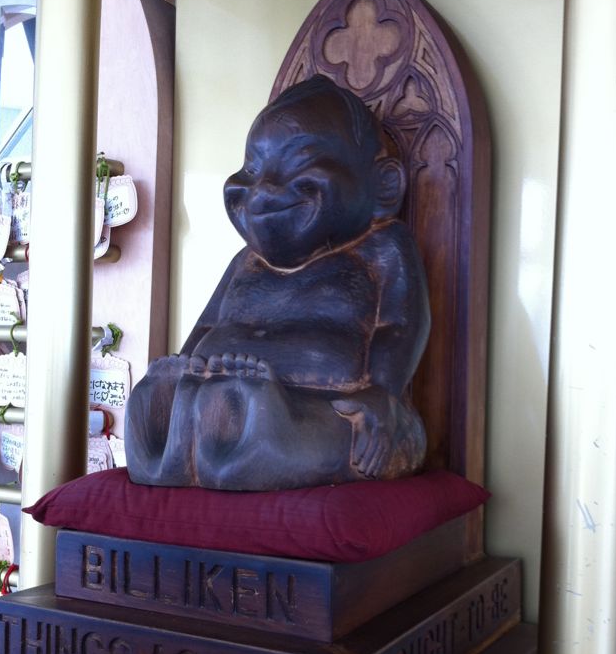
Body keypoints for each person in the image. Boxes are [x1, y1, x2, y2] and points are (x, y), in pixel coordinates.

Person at [125, 75, 430, 491]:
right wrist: (184, 369)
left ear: (384, 186)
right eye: (252, 169)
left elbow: (400, 326)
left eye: (299, 165)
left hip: (326, 409)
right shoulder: (246, 261)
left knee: (283, 426)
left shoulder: (384, 248)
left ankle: (228, 435)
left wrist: (382, 391)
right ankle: (185, 432)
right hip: (225, 396)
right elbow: (208, 325)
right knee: (176, 399)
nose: (263, 189)